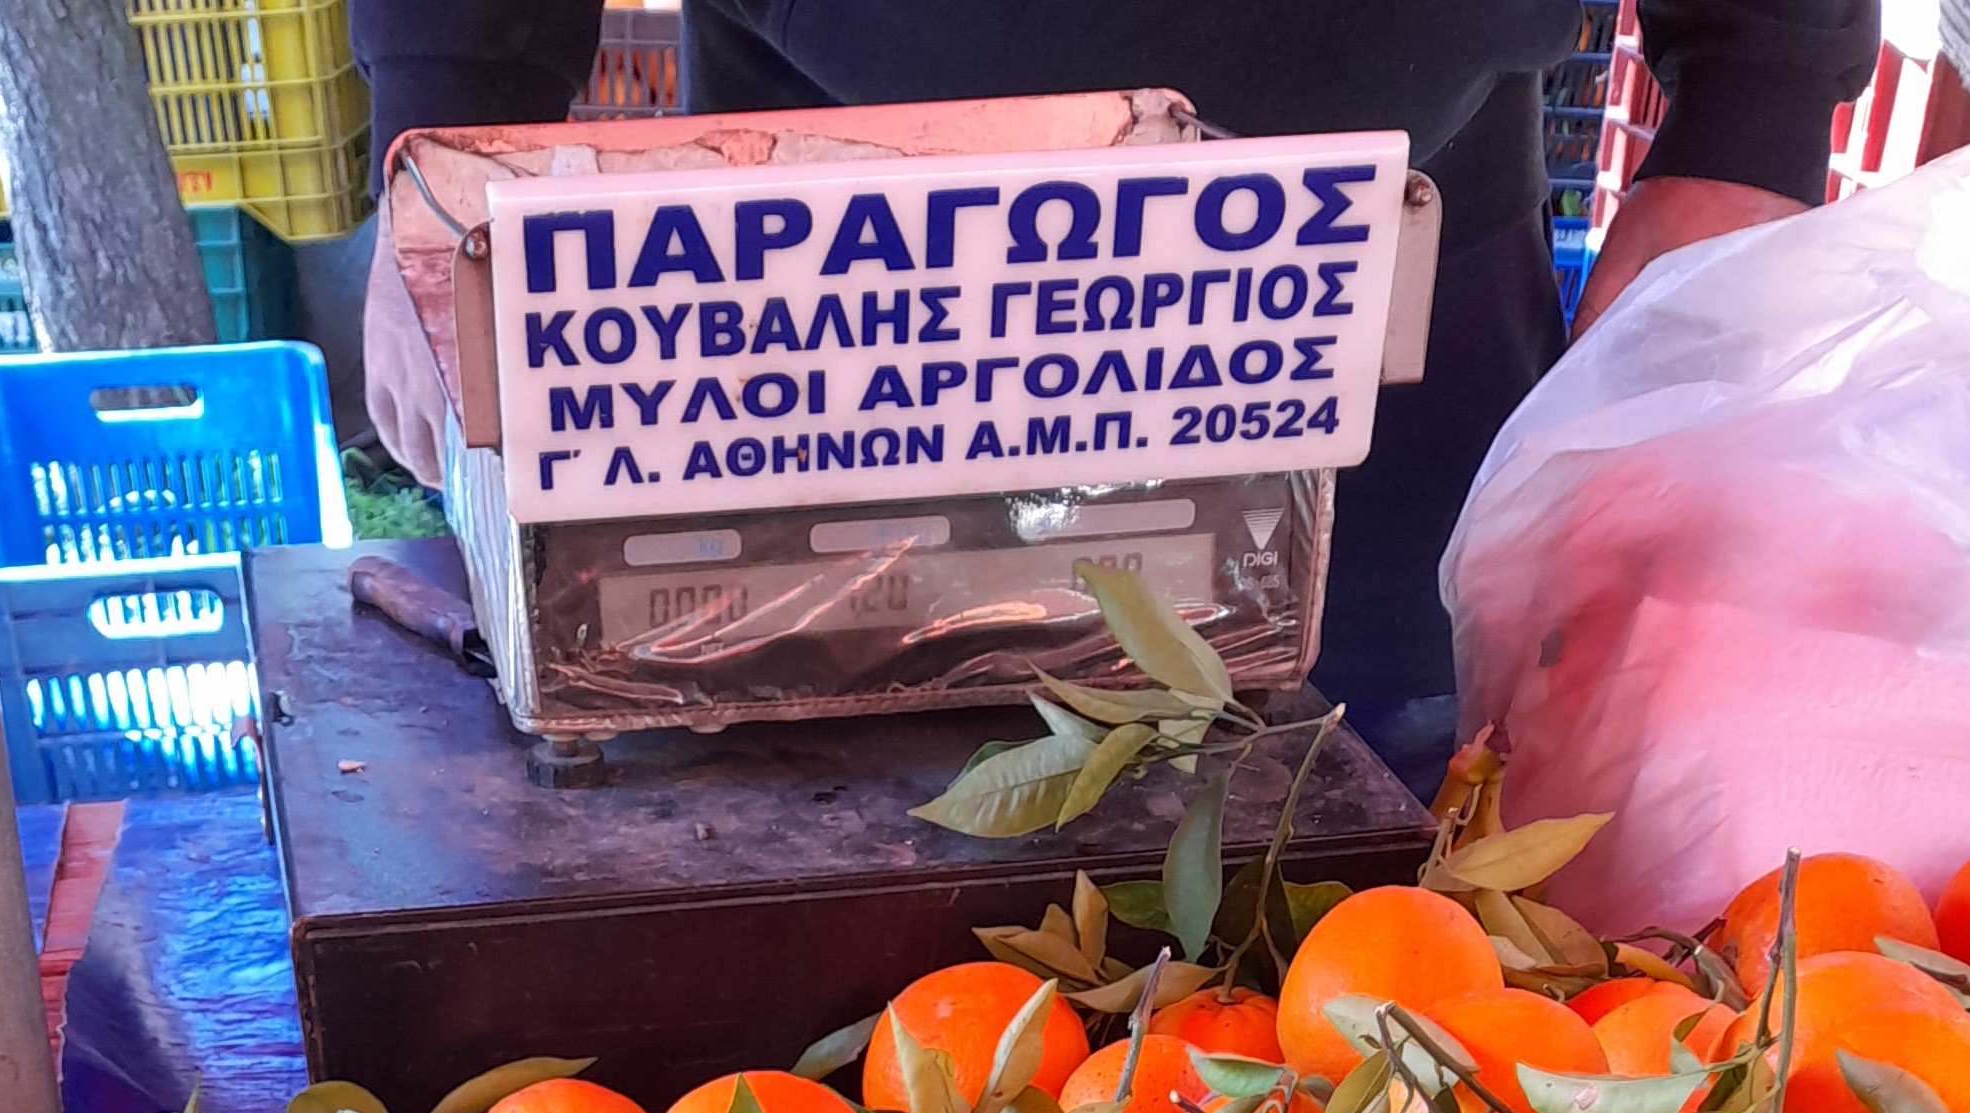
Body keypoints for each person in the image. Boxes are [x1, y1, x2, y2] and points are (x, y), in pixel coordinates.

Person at [351, 0, 1876, 785]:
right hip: (843, 240)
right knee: (828, 928)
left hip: (1389, 222)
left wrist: (1752, 97)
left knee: (1382, 864)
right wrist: (444, 107)